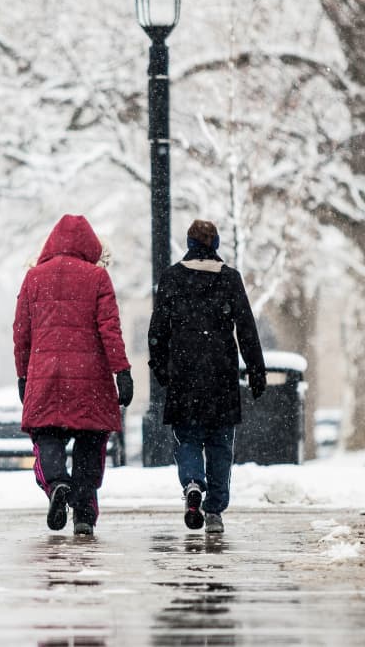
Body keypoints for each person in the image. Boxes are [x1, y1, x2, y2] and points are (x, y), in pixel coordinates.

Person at [14, 214, 134, 536]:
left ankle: (56, 484)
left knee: (47, 435)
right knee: (90, 441)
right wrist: (121, 370)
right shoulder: (97, 278)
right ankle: (83, 514)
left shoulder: (33, 278)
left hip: (47, 376)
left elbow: (21, 333)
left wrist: (23, 376)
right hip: (90, 377)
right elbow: (110, 328)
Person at [148, 219, 267, 535]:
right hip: (221, 373)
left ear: (188, 244)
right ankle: (214, 510)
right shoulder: (229, 279)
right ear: (216, 245)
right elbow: (246, 330)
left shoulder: (172, 279)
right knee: (220, 444)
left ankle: (191, 483)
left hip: (184, 373)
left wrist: (162, 370)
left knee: (187, 438)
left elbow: (157, 330)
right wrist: (256, 372)